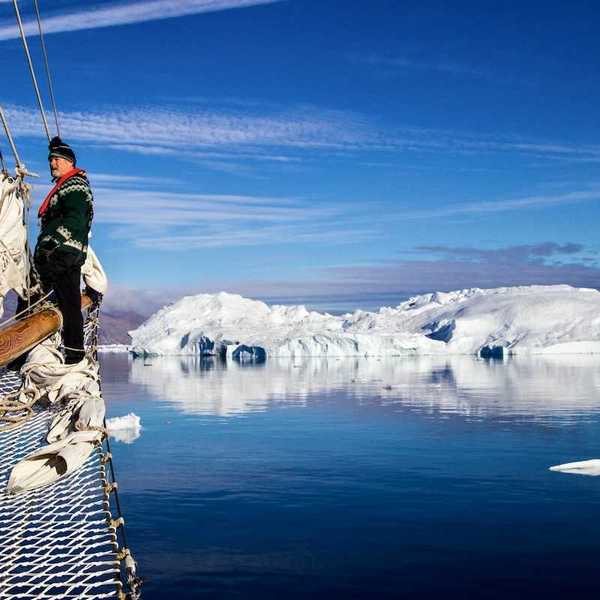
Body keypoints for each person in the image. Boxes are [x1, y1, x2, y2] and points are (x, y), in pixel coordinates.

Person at [30, 136, 94, 364]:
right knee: (37, 299)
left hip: (63, 254)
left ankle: (74, 356)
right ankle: (33, 355)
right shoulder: (67, 184)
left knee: (68, 302)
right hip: (57, 255)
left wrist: (51, 243)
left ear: (69, 162)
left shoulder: (75, 186)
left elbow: (76, 220)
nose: (52, 164)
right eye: (50, 160)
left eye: (56, 159)